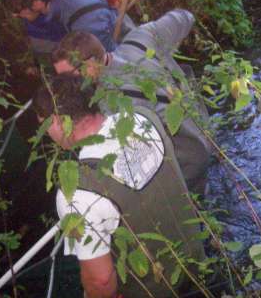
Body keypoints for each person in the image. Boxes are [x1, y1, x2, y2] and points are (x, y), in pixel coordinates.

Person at [33, 75, 206, 298]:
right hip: (199, 263)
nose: (48, 135)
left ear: (57, 121)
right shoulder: (144, 117)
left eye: (44, 126)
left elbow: (101, 281)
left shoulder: (76, 193)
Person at [51, 9, 212, 194]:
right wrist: (167, 52)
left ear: (90, 65)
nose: (66, 84)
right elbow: (185, 16)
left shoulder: (110, 107)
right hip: (203, 130)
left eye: (68, 76)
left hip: (185, 165)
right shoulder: (141, 38)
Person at [5, 0, 123, 52]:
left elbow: (108, 55)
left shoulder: (82, 20)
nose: (17, 15)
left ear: (37, 2)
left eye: (19, 10)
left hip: (119, 41)